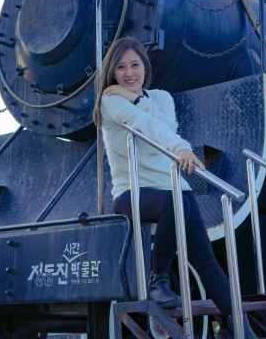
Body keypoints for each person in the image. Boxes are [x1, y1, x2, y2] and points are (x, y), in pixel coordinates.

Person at [93, 37, 256, 339]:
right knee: (175, 202)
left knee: (205, 258)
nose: (129, 73)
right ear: (111, 72)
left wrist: (139, 98)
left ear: (145, 66)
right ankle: (159, 280)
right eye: (120, 67)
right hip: (132, 192)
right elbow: (144, 125)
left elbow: (163, 127)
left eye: (135, 65)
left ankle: (240, 328)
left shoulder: (161, 97)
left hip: (174, 191)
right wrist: (181, 148)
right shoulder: (110, 100)